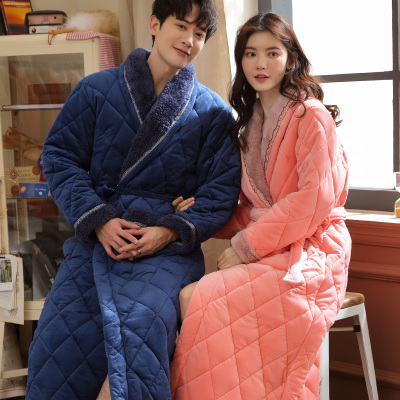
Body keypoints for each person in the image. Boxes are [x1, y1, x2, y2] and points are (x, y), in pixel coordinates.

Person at [25, 1, 241, 399]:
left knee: (143, 324)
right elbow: (58, 157)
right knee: (59, 330)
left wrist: (170, 230)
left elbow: (221, 191)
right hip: (99, 238)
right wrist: (99, 219)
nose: (189, 40)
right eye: (181, 26)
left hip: (165, 251)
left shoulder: (214, 113)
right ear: (155, 24)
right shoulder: (96, 90)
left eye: (199, 34)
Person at [170, 12, 351, 400]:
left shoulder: (312, 116)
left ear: (290, 58)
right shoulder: (249, 121)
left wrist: (245, 247)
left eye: (272, 53)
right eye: (250, 54)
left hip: (314, 249)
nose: (260, 64)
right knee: (192, 296)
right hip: (275, 246)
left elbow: (313, 199)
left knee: (195, 296)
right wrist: (202, 213)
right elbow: (253, 207)